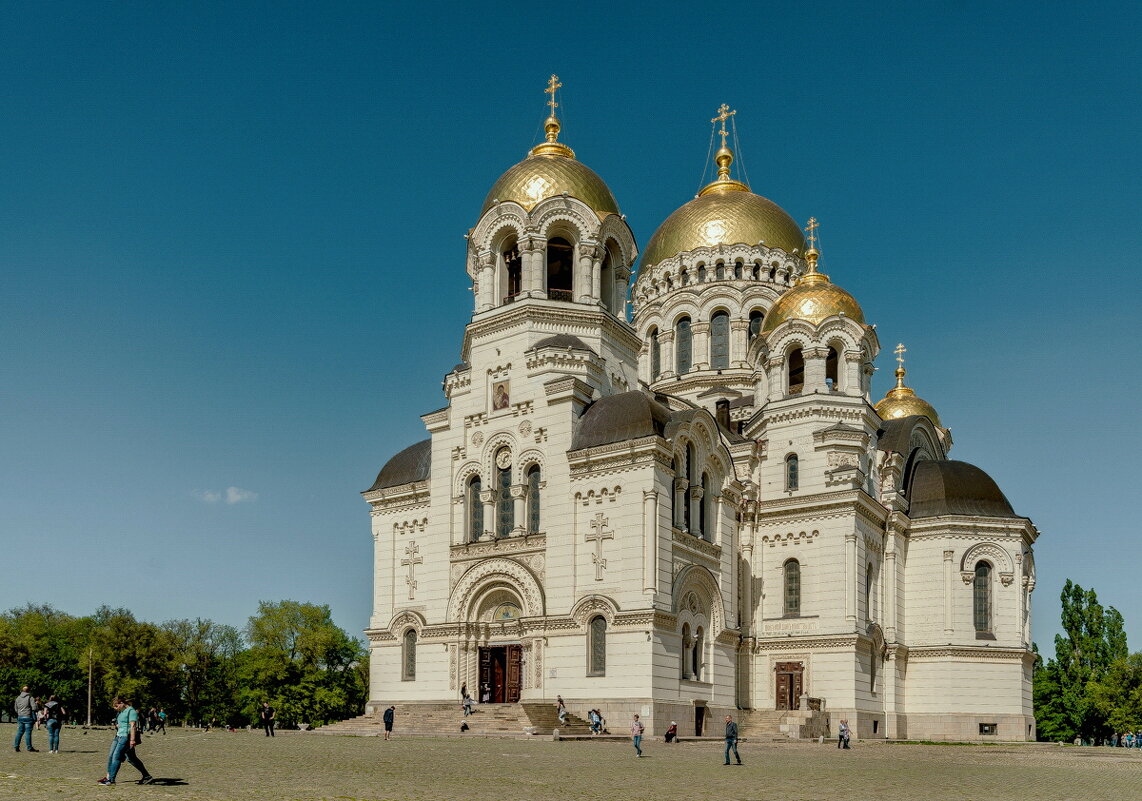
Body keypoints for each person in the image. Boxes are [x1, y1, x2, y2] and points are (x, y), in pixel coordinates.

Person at [99, 696, 154, 785]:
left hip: (126, 737)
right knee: (126, 757)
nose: (115, 708)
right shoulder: (121, 712)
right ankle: (146, 776)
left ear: (122, 703)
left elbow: (133, 726)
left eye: (116, 706)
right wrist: (117, 725)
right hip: (118, 736)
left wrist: (132, 740)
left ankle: (111, 780)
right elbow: (121, 722)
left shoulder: (131, 711)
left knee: (116, 757)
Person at [13, 685, 39, 752]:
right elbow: (34, 708)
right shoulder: (30, 697)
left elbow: (16, 709)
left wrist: (20, 713)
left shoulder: (18, 698)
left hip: (20, 716)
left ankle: (16, 746)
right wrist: (36, 705)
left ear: (22, 690)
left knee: (19, 732)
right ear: (29, 690)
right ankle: (29, 747)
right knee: (28, 733)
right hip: (28, 716)